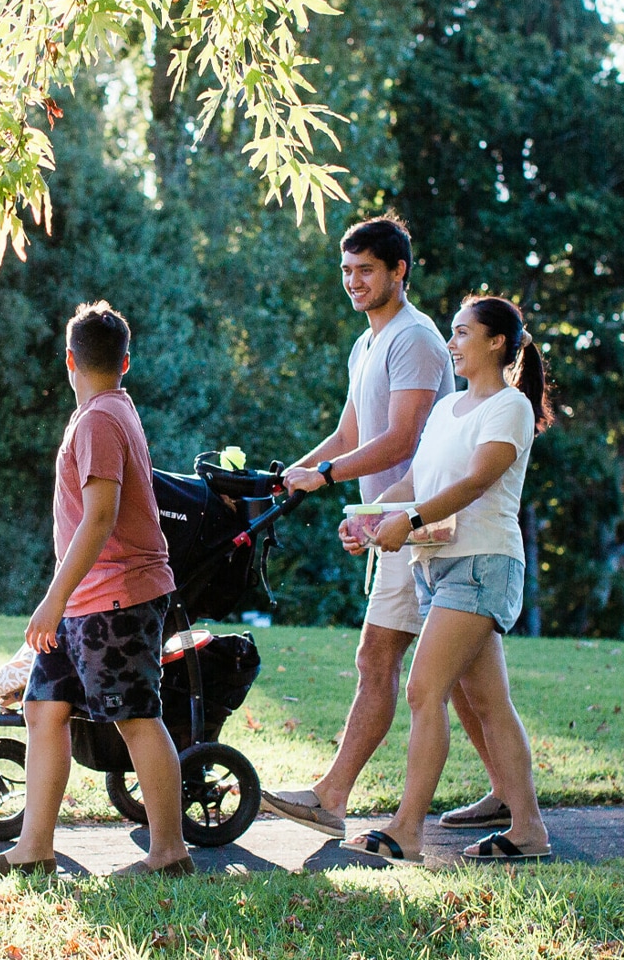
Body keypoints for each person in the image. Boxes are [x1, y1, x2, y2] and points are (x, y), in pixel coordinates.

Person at [260, 214, 511, 840]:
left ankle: (334, 798)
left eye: (366, 270)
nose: (354, 282)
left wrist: (330, 478)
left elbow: (404, 437)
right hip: (393, 523)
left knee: (385, 661)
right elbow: (351, 436)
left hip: (426, 526)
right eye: (347, 271)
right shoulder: (367, 343)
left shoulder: (417, 338)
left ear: (399, 271)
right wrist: (294, 474)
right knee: (459, 682)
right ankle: (510, 797)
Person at [0, 301, 194, 878]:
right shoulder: (114, 409)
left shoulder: (98, 421)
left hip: (116, 597)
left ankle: (169, 854)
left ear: (69, 360)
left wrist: (51, 599)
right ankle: (33, 849)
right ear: (125, 362)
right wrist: (63, 601)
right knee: (42, 708)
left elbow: (100, 517)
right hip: (87, 601)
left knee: (136, 717)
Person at [338, 294, 553, 863]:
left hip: (483, 565)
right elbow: (419, 479)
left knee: (423, 689)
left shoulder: (509, 407)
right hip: (436, 564)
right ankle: (528, 830)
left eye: (462, 334)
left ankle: (407, 829)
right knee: (488, 703)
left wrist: (406, 519)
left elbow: (478, 480)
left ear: (497, 342)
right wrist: (367, 518)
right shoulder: (447, 408)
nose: (452, 344)